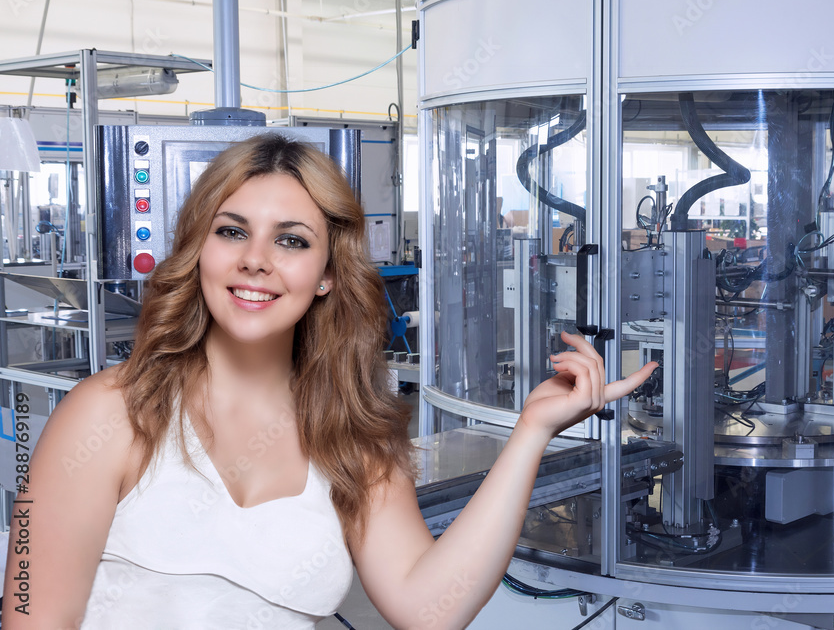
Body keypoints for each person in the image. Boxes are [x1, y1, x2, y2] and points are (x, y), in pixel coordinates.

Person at [2, 134, 656, 629]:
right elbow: (30, 615)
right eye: (232, 231)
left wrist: (531, 432)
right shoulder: (108, 414)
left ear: (327, 275)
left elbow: (430, 608)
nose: (256, 260)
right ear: (200, 249)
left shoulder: (352, 439)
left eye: (291, 241)